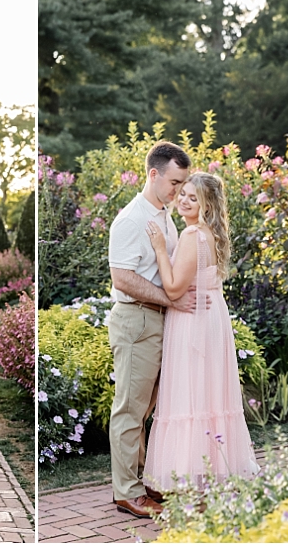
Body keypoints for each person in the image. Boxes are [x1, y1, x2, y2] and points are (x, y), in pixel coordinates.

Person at [107, 141, 205, 519]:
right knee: (130, 409)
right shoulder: (131, 219)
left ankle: (140, 481)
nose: (179, 191)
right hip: (137, 320)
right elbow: (123, 278)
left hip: (159, 319)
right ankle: (126, 492)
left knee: (147, 407)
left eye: (183, 184)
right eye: (175, 182)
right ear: (154, 174)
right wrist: (172, 301)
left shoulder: (163, 213)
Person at [143, 172, 259, 492]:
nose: (184, 200)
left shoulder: (194, 235)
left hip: (192, 320)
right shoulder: (213, 234)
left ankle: (186, 474)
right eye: (184, 194)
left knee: (190, 392)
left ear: (207, 205)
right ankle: (213, 468)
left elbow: (174, 286)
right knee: (208, 393)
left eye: (193, 198)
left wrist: (160, 250)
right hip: (212, 317)